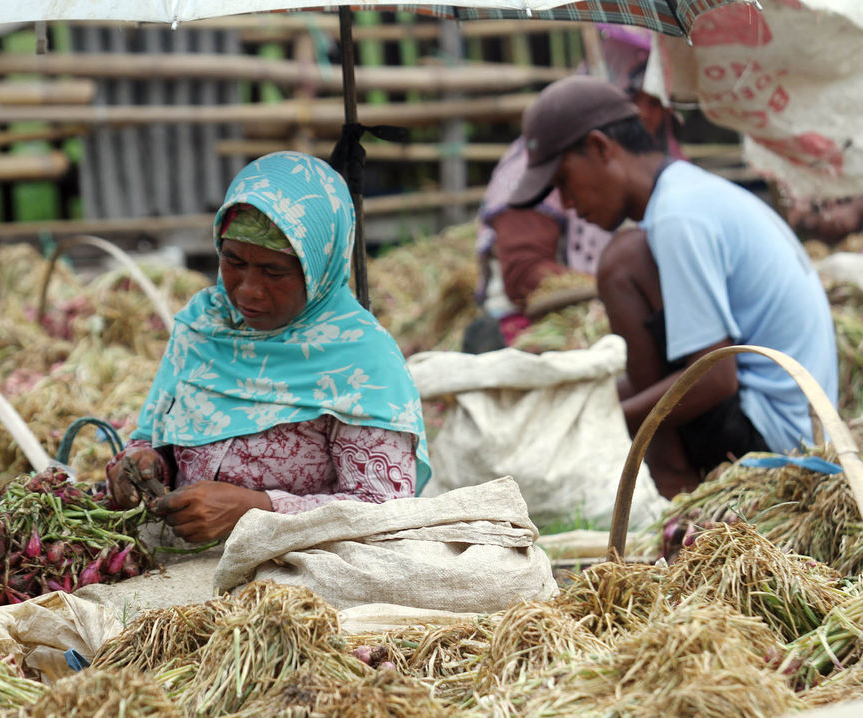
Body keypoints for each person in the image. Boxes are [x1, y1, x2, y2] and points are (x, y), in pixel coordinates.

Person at [508, 76, 838, 499]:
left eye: (565, 182)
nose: (568, 205)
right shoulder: (688, 192)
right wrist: (587, 401)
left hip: (778, 447)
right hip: (796, 425)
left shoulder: (678, 217)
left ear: (599, 148)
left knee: (621, 262)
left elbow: (715, 378)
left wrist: (606, 424)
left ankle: (671, 480)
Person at [106, 151, 432, 542]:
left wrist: (258, 509)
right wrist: (143, 464)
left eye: (274, 271)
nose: (247, 290)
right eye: (233, 261)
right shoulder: (205, 325)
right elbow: (153, 434)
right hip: (177, 557)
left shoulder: (361, 360)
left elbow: (385, 511)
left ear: (319, 270)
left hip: (298, 575)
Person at [471, 26, 683, 349]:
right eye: (644, 101)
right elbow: (524, 273)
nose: (653, 114)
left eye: (658, 102)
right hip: (543, 327)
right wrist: (615, 290)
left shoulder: (661, 167)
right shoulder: (537, 169)